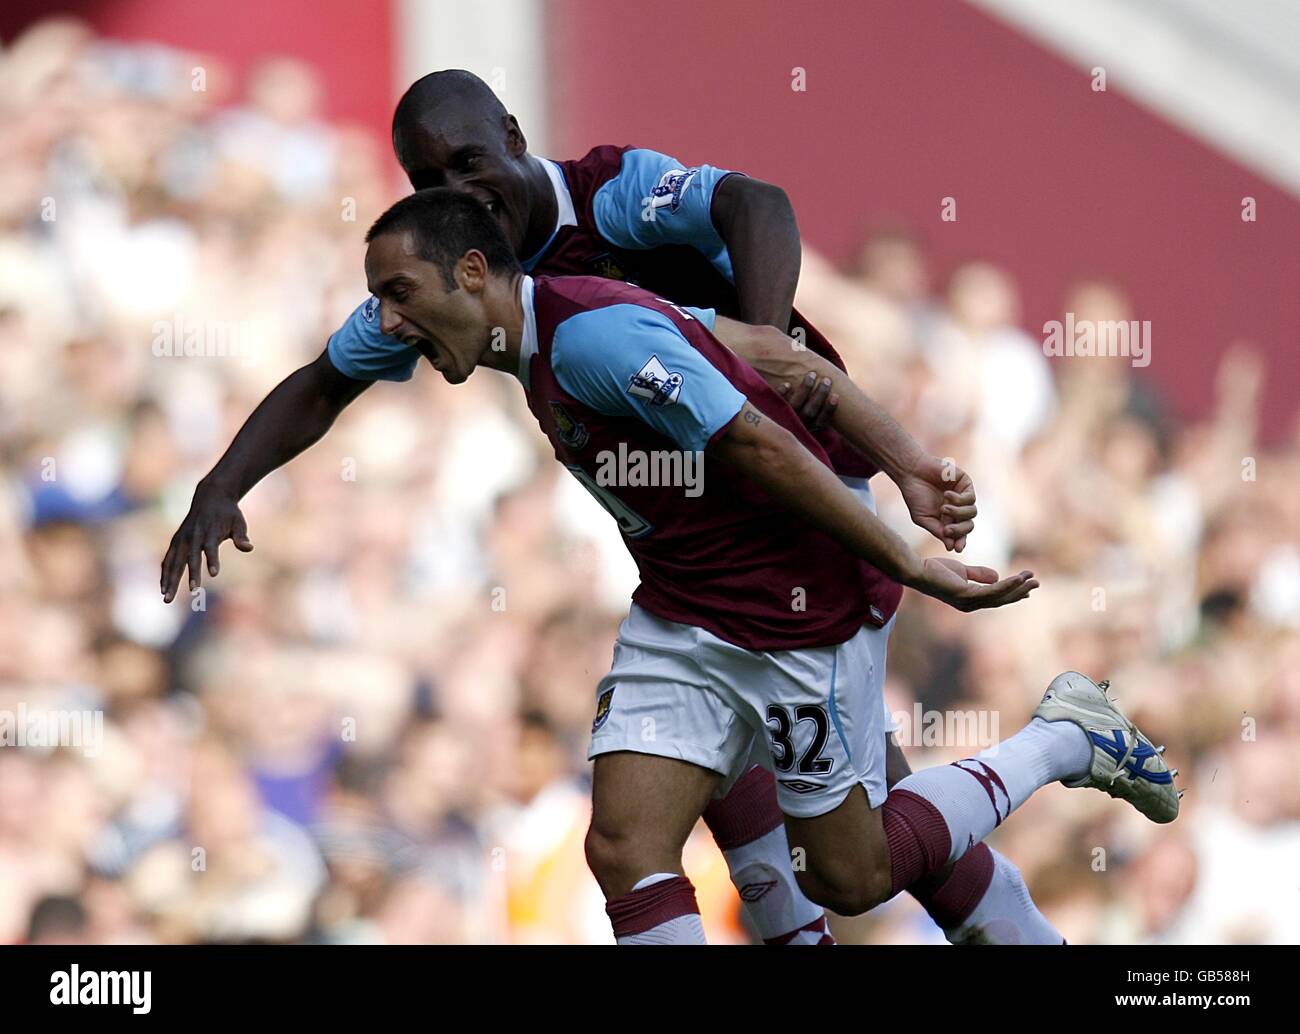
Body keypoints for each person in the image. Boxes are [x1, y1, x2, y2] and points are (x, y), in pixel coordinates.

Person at [161, 68, 1045, 944]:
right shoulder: (441, 284)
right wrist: (219, 487)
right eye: (430, 183)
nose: (458, 192)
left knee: (850, 852)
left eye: (468, 163)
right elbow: (324, 382)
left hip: (793, 514)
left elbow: (760, 214)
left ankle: (1058, 761)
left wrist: (875, 459)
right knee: (684, 835)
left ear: (514, 134)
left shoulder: (611, 203)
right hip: (695, 562)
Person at [358, 188, 1180, 943]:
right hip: (683, 609)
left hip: (794, 611)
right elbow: (781, 356)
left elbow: (759, 431)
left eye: (399, 295)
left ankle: (1063, 738)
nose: (388, 324)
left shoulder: (591, 327)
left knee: (852, 874)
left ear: (471, 270)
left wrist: (907, 545)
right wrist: (226, 489)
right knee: (623, 846)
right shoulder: (555, 327)